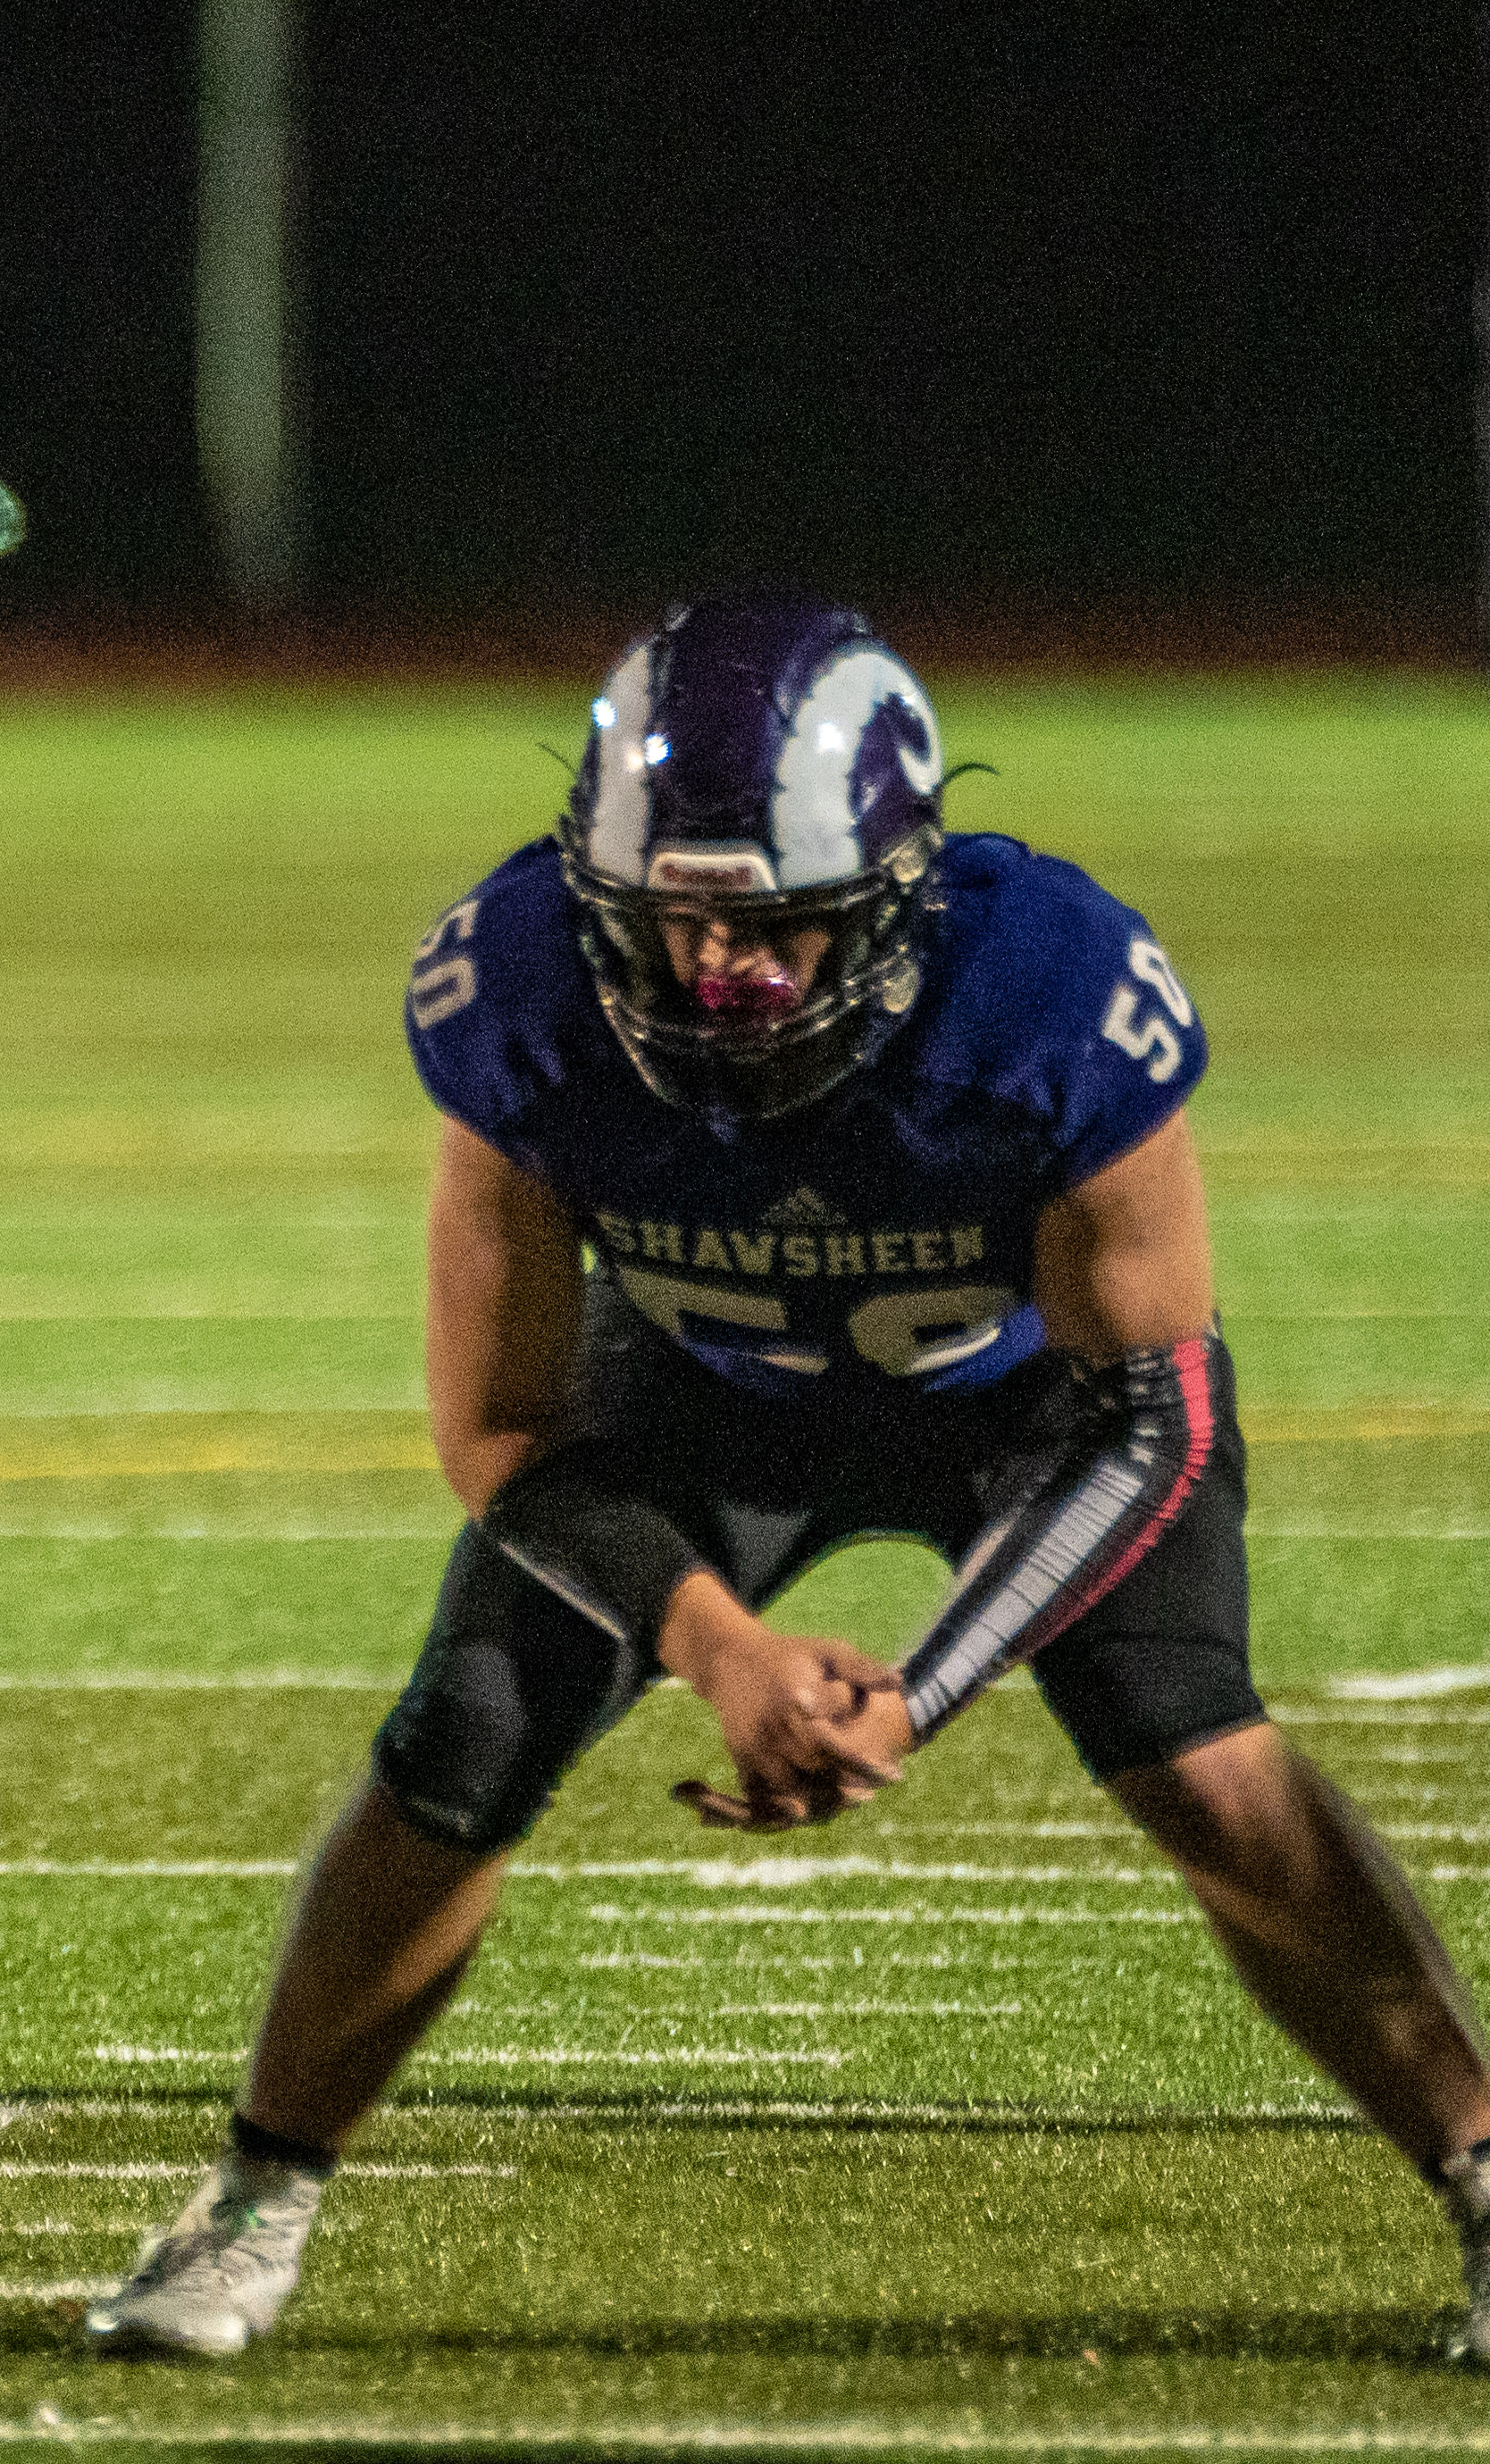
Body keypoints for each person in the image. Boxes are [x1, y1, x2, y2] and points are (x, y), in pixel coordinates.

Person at [85, 596, 1490, 2359]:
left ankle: (1481, 2163)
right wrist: (721, 1650)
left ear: (894, 897)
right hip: (695, 1394)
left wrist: (928, 1686)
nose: (721, 975)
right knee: (463, 1742)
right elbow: (503, 1434)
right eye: (673, 924)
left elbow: (1152, 1416)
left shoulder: (1051, 992)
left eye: (778, 929)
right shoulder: (522, 1000)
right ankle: (257, 2195)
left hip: (1027, 1409)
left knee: (1200, 1755)